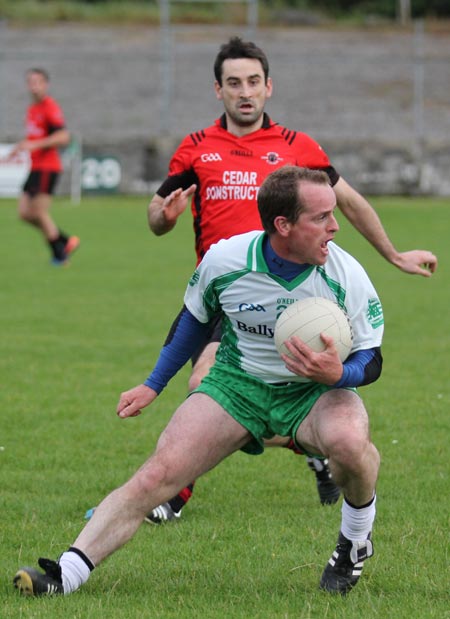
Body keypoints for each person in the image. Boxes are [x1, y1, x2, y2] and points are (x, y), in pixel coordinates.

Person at [13, 166, 384, 597]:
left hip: (316, 391)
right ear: (283, 225)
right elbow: (193, 318)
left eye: (332, 214)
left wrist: (340, 374)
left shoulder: (345, 274)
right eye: (321, 217)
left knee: (351, 446)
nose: (335, 226)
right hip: (237, 384)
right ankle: (63, 576)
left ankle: (355, 541)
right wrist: (154, 383)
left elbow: (372, 357)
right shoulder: (226, 260)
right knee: (156, 477)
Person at [143, 36, 437, 523]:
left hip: (294, 297)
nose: (245, 92)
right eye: (234, 82)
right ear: (218, 89)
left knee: (210, 384)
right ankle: (310, 448)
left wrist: (393, 254)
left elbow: (348, 201)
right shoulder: (196, 149)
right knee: (223, 392)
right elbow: (158, 216)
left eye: (253, 82)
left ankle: (174, 495)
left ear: (268, 87)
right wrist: (164, 217)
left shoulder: (296, 147)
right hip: (230, 297)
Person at [7, 68, 79, 265]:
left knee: (38, 212)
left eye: (38, 82)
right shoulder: (32, 110)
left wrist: (35, 145)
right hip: (35, 167)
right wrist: (20, 147)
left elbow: (64, 137)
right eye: (30, 82)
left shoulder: (50, 107)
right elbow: (34, 136)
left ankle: (60, 255)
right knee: (24, 213)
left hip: (48, 167)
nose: (34, 86)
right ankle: (64, 240)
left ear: (46, 85)